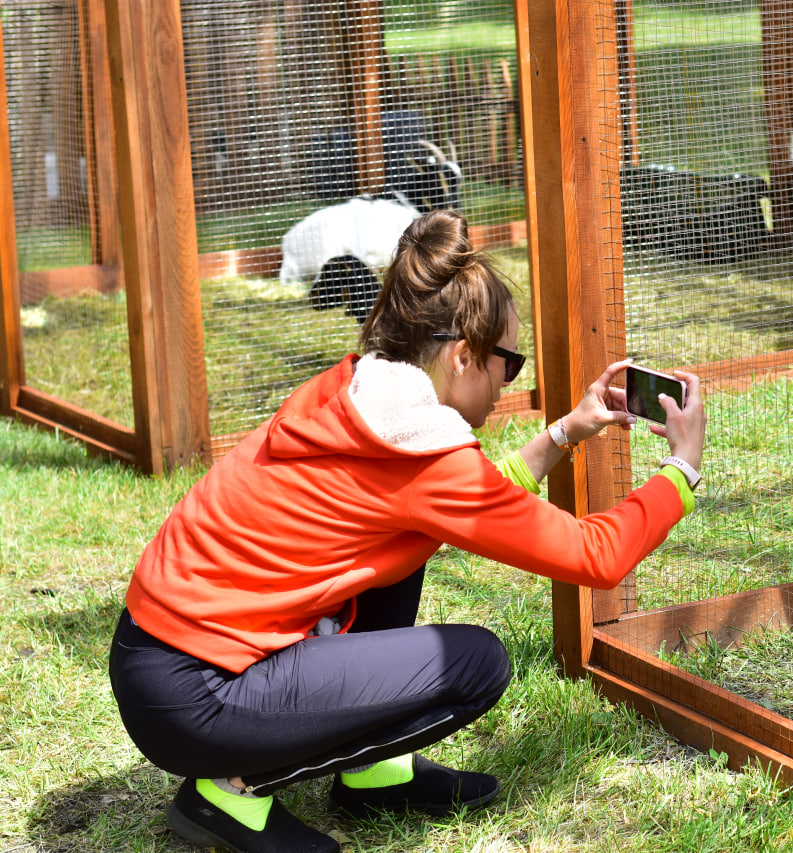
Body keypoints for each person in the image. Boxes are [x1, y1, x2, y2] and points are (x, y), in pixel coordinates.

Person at [109, 209, 707, 853]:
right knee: (476, 665)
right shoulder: (418, 449)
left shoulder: (358, 392)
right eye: (510, 362)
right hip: (198, 696)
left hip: (160, 659)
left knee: (407, 550)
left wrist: (567, 431)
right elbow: (599, 555)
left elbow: (466, 499)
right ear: (462, 356)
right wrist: (681, 470)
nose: (512, 381)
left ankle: (370, 776)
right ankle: (227, 794)